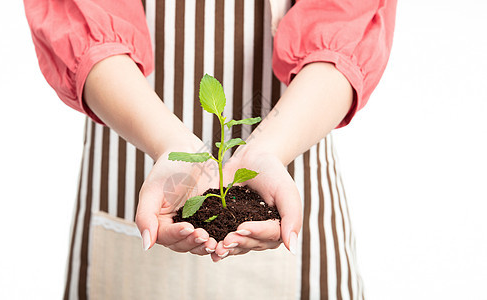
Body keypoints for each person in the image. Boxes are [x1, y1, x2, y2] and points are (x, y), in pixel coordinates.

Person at [24, 0, 396, 299]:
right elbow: (82, 18)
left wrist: (267, 149)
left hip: (289, 150)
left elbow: (346, 17)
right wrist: (170, 143)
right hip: (132, 161)